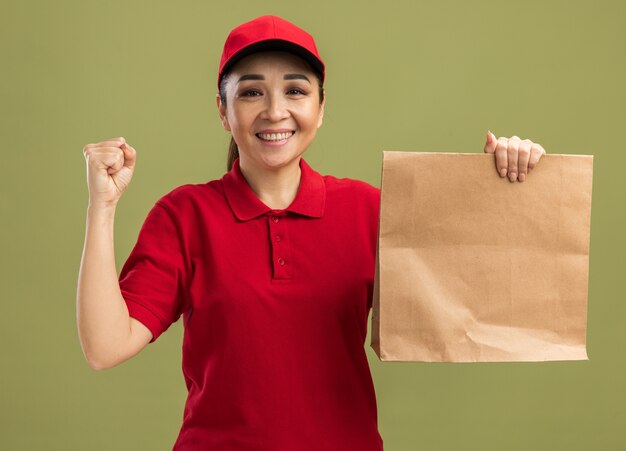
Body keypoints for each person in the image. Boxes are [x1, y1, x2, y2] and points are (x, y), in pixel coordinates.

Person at [76, 15, 546, 450]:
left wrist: (503, 187)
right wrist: (103, 205)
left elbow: (469, 304)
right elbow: (105, 347)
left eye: (296, 91)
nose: (275, 111)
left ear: (321, 108)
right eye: (251, 92)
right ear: (223, 110)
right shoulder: (185, 215)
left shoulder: (367, 210)